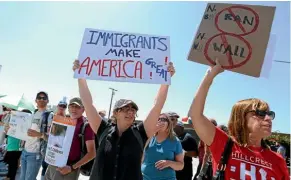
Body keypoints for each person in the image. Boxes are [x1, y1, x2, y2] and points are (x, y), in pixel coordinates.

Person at [72, 59, 175, 180]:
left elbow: (157, 106)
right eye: (125, 108)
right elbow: (87, 103)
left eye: (133, 109)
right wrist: (80, 77)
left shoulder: (141, 133)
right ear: (115, 113)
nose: (130, 112)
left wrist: (166, 80)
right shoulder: (103, 130)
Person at [188, 61, 289, 179]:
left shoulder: (278, 160)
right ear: (241, 118)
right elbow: (195, 114)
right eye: (260, 113)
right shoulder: (223, 144)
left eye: (269, 114)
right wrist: (210, 75)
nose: (268, 118)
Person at [45, 97, 96, 180]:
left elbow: (92, 153)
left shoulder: (86, 125)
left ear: (83, 109)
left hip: (67, 170)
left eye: (77, 107)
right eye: (72, 106)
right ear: (68, 108)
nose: (74, 109)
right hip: (52, 165)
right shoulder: (64, 121)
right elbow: (55, 143)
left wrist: (72, 168)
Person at [20, 91, 54, 180]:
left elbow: (53, 138)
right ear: (36, 100)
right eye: (39, 97)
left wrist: (40, 135)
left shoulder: (50, 116)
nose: (41, 99)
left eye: (44, 98)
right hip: (24, 151)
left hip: (35, 154)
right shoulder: (31, 115)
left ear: (48, 101)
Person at [141, 114, 184, 180]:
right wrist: (152, 133)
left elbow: (181, 165)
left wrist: (169, 163)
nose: (160, 121)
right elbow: (140, 156)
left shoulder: (175, 141)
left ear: (169, 124)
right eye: (158, 119)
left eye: (163, 119)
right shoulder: (149, 137)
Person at [41, 100, 67, 180]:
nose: (62, 108)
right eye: (60, 105)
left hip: (58, 148)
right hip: (47, 145)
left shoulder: (67, 120)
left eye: (64, 106)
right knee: (45, 166)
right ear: (57, 106)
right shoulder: (50, 116)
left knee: (55, 170)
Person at [3, 109, 32, 180]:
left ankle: (9, 177)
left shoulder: (22, 123)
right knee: (12, 167)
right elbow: (5, 128)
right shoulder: (15, 120)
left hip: (15, 148)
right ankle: (9, 177)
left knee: (12, 167)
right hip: (13, 147)